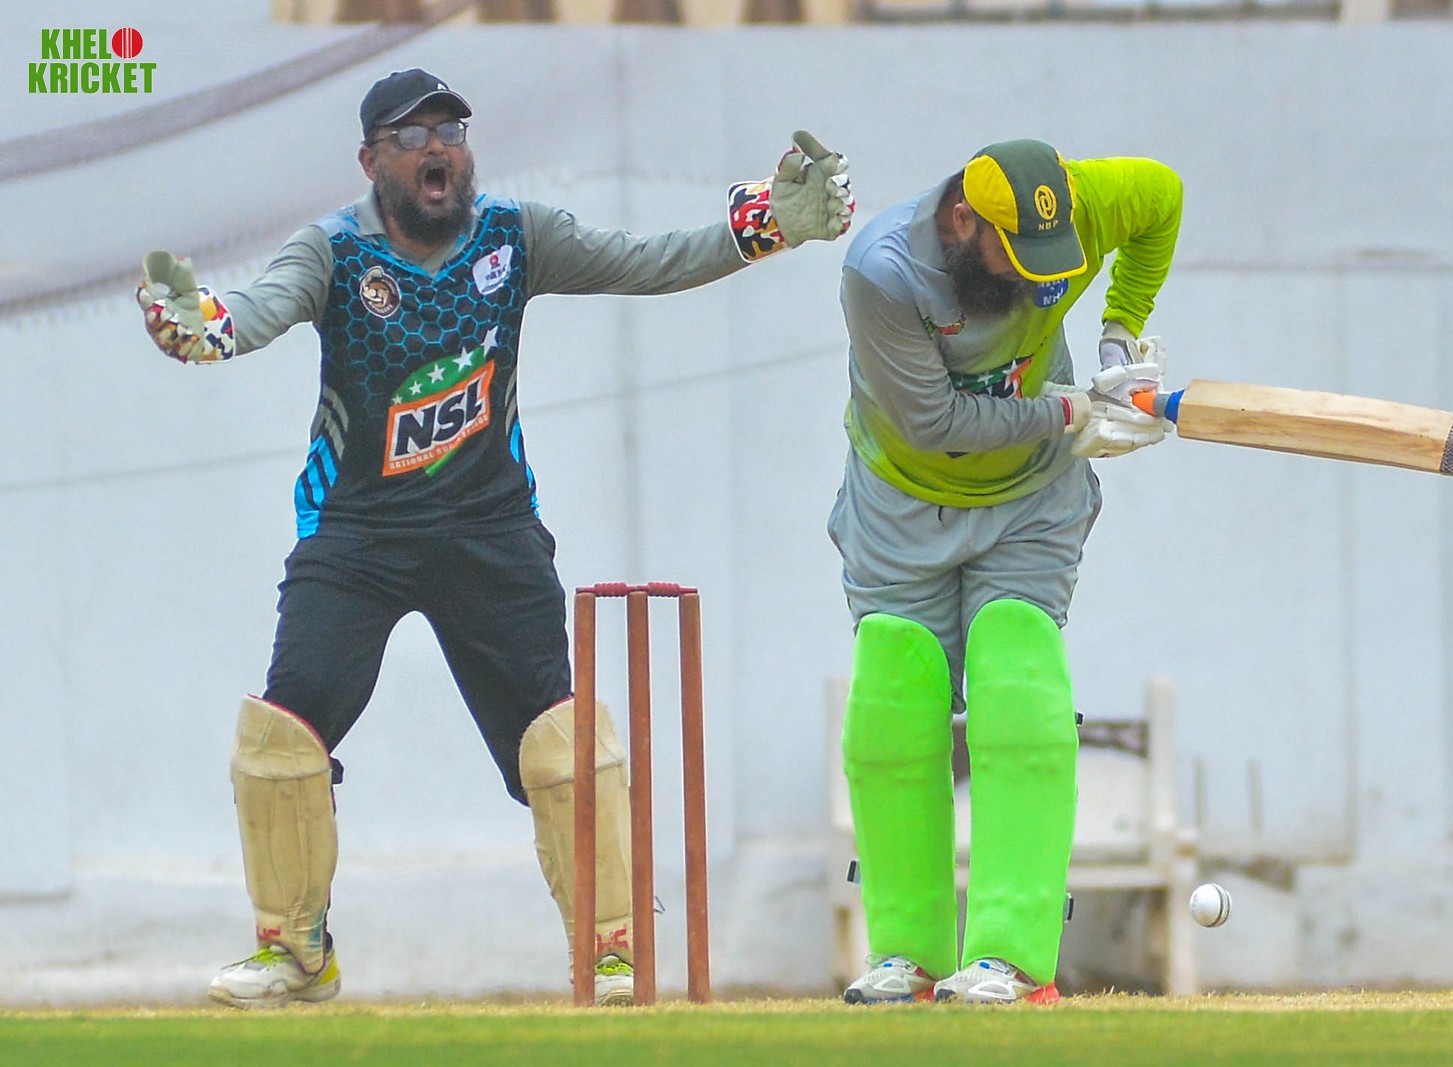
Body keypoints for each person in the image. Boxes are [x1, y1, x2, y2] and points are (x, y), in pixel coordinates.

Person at [134, 68, 854, 1009]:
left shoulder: (514, 237)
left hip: (489, 527)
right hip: (356, 532)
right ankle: (297, 952)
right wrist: (208, 328)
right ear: (370, 161)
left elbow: (646, 261)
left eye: (451, 130)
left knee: (560, 741)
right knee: (281, 735)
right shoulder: (336, 251)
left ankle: (610, 950)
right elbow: (259, 308)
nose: (437, 149)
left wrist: (764, 227)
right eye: (411, 135)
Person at [827, 140, 1181, 1005]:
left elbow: (1163, 197)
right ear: (963, 221)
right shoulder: (883, 271)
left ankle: (1012, 958)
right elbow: (935, 424)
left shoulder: (1081, 204)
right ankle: (905, 954)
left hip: (1031, 498)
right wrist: (1072, 411)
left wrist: (1119, 330)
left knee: (1016, 662)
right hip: (903, 491)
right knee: (894, 688)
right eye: (1016, 255)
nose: (1037, 278)